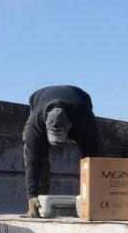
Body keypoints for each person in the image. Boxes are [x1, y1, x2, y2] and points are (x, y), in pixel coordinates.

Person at [23, 85, 103, 217]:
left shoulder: (85, 121)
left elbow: (93, 158)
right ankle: (39, 203)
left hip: (80, 100)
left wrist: (92, 196)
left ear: (70, 126)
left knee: (96, 154)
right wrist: (31, 195)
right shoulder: (36, 124)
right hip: (38, 100)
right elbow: (32, 161)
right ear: (46, 127)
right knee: (38, 157)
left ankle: (95, 199)